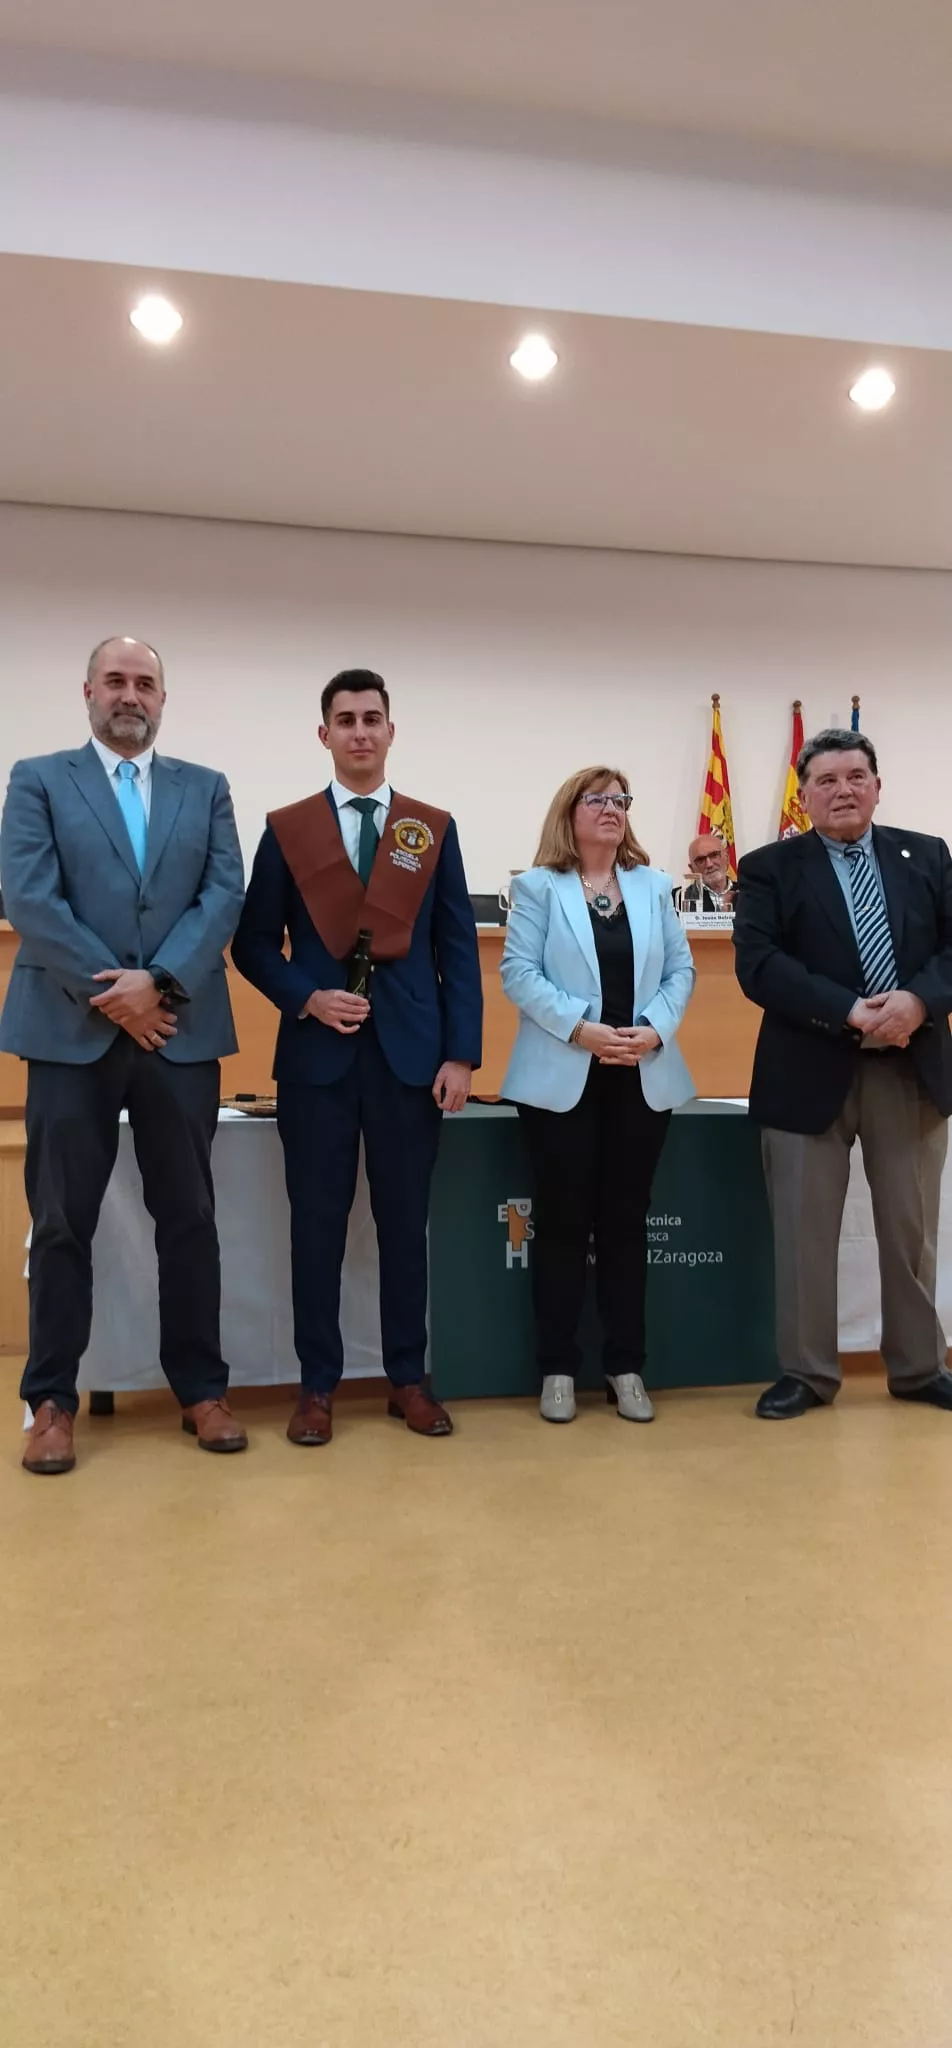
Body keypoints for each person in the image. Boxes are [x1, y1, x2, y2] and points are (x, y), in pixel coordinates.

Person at [1, 636, 247, 1474]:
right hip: (69, 1033)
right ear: (88, 693)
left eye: (145, 682)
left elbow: (223, 895)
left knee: (191, 1219)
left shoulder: (205, 789)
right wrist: (117, 994)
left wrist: (161, 984)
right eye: (115, 680)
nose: (129, 694)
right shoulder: (39, 780)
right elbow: (31, 898)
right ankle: (51, 1401)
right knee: (61, 1222)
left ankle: (202, 1391)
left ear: (162, 699)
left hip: (179, 1033)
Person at [231, 667, 482, 1446]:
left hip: (412, 1061)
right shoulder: (288, 830)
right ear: (325, 734)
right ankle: (316, 1386)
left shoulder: (430, 829)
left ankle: (407, 1378)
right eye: (346, 720)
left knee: (406, 1226)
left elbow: (456, 949)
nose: (361, 732)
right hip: (318, 1060)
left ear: (390, 731)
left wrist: (462, 1056)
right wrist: (307, 997)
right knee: (317, 1228)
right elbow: (252, 944)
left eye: (372, 718)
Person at [733, 726, 952, 1420]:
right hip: (807, 1069)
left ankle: (919, 1368)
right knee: (804, 1234)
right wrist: (851, 1011)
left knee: (910, 1230)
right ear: (804, 797)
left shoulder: (928, 855)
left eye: (856, 776)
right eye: (826, 781)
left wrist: (918, 1002)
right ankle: (807, 1373)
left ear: (877, 786)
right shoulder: (768, 868)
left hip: (909, 1070)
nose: (843, 790)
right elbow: (760, 965)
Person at [500, 766, 695, 1424]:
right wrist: (579, 1028)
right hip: (562, 1077)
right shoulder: (538, 887)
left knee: (625, 1224)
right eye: (598, 800)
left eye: (621, 800)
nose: (612, 809)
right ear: (570, 811)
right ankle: (557, 1368)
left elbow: (680, 970)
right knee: (561, 1222)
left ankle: (625, 1366)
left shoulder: (654, 886)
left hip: (640, 1074)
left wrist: (655, 1028)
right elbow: (518, 972)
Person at [675, 831, 736, 913]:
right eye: (700, 860)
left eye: (714, 855)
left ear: (727, 858)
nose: (709, 864)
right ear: (692, 869)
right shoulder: (678, 899)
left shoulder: (748, 892)